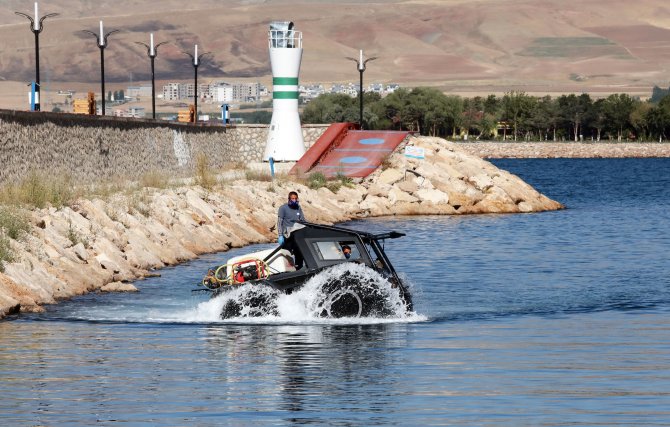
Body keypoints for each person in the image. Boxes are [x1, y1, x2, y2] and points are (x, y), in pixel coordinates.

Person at [277, 191, 306, 269]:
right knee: (287, 254)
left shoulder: (298, 207)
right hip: (287, 236)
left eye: (295, 198)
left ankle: (299, 268)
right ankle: (287, 270)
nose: (294, 200)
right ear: (289, 199)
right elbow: (279, 222)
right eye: (292, 198)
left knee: (299, 253)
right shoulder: (283, 208)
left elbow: (303, 220)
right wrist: (280, 236)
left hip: (297, 235)